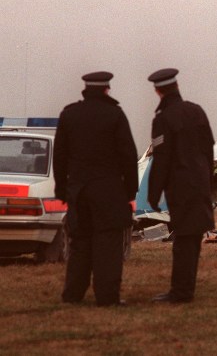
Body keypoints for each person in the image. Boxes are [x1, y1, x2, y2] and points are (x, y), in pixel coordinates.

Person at [53, 71, 138, 307]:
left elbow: (59, 157)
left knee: (80, 244)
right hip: (109, 191)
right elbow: (128, 156)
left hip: (78, 191)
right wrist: (130, 192)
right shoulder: (115, 115)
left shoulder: (69, 114)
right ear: (106, 89)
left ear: (85, 89)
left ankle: (72, 295)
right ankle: (107, 297)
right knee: (108, 245)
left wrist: (62, 190)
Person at [147, 68, 215, 303]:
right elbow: (209, 150)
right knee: (192, 240)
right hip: (200, 184)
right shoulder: (197, 112)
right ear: (176, 86)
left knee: (183, 242)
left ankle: (181, 292)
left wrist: (153, 194)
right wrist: (208, 180)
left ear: (158, 91)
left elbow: (161, 159)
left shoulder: (163, 119)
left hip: (180, 187)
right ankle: (185, 289)